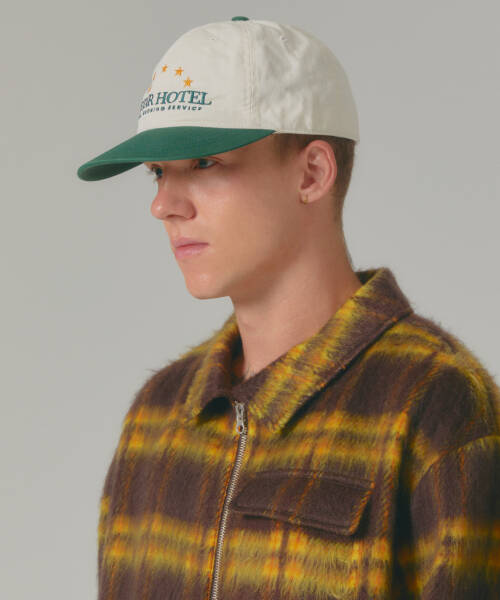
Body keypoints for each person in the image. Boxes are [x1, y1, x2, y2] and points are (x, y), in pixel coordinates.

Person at [77, 16, 500, 600]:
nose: (164, 204)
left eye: (204, 163)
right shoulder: (158, 416)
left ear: (312, 173)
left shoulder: (435, 407)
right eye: (157, 172)